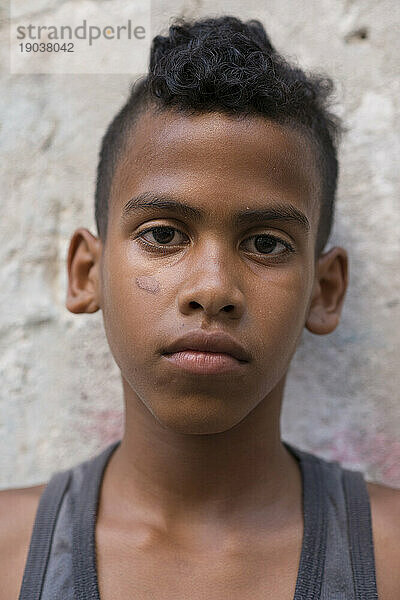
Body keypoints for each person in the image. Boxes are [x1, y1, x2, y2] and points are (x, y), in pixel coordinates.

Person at [0, 15, 399, 600]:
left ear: (325, 290)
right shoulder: (9, 553)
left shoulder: (389, 555)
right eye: (163, 235)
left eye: (266, 243)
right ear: (87, 273)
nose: (212, 289)